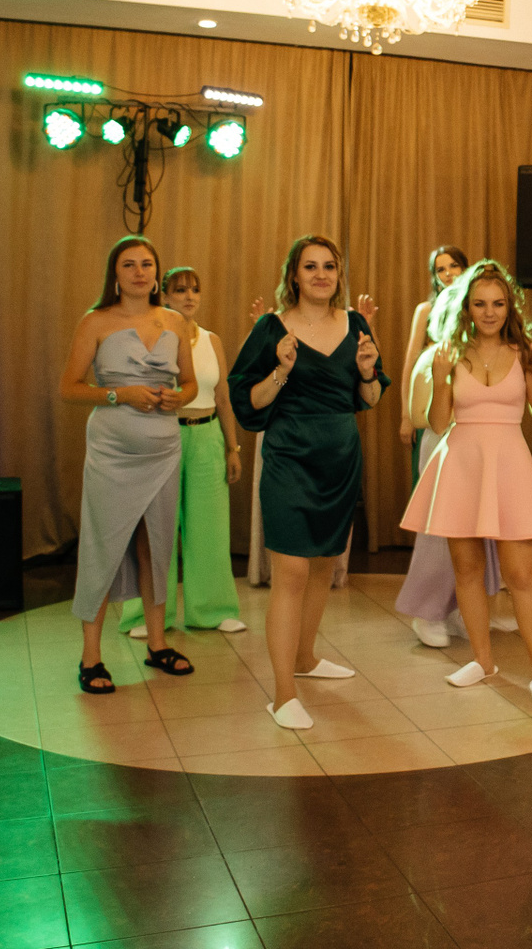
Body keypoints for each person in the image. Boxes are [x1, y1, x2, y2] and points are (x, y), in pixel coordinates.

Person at [230, 234, 387, 730]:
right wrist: (281, 370)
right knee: (292, 572)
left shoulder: (356, 325)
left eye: (329, 266)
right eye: (311, 266)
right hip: (289, 457)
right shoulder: (271, 327)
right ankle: (282, 695)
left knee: (323, 566)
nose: (321, 275)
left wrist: (367, 373)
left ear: (339, 275)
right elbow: (249, 401)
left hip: (340, 460)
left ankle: (305, 657)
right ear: (294, 276)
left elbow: (371, 398)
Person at [400, 260, 532, 706]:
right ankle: (483, 661)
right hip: (460, 463)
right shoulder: (451, 352)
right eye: (480, 304)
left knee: (522, 575)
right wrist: (439, 378)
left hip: (509, 465)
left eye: (497, 303)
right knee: (467, 571)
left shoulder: (524, 352)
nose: (489, 312)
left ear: (509, 306)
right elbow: (438, 422)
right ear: (467, 308)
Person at [57, 236, 198, 694]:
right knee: (103, 545)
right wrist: (121, 394)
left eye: (147, 264)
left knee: (158, 544)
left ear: (156, 273)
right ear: (114, 275)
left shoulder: (175, 321)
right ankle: (90, 656)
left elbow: (191, 383)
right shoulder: (95, 321)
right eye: (129, 265)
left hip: (163, 450)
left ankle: (157, 644)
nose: (139, 272)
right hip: (113, 452)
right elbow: (69, 388)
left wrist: (180, 397)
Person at [393, 245, 513, 647]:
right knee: (442, 528)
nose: (448, 274)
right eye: (440, 269)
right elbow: (417, 375)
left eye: (454, 266)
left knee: (480, 529)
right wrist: (409, 414)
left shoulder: (493, 340)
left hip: (482, 443)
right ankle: (427, 611)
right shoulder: (433, 334)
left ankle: (464, 607)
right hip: (443, 437)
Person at [122, 267, 246, 640]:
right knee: (156, 529)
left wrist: (232, 447)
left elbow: (223, 397)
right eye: (180, 290)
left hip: (208, 437)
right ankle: (145, 615)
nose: (189, 296)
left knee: (210, 527)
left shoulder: (212, 340)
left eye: (195, 289)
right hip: (163, 436)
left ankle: (213, 610)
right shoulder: (151, 338)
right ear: (165, 295)